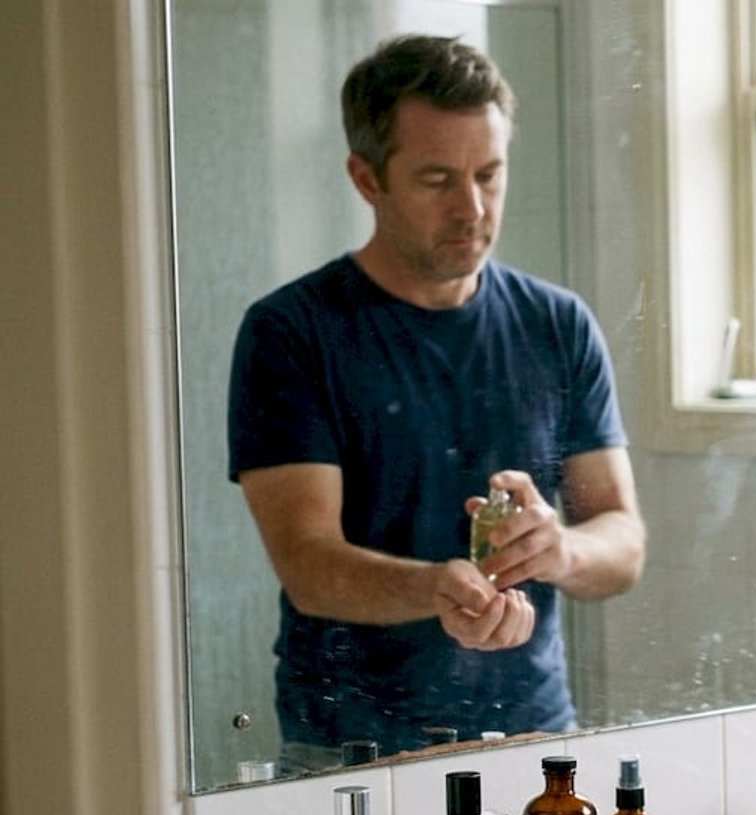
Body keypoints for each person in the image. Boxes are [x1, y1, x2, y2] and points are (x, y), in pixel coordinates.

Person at [227, 34, 645, 771]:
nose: (471, 207)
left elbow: (623, 544)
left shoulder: (558, 324)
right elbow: (307, 563)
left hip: (534, 738)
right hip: (347, 750)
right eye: (436, 179)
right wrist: (437, 588)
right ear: (367, 179)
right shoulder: (292, 332)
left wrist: (560, 547)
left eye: (489, 174)